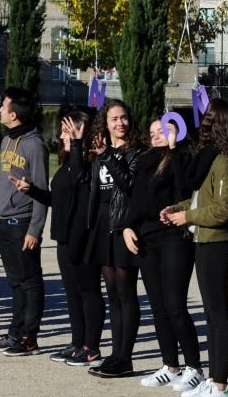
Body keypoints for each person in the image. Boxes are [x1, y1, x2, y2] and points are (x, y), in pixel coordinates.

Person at [162, 98, 228, 397]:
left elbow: (222, 211)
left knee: (218, 313)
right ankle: (213, 379)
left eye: (210, 118)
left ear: (220, 123)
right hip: (202, 239)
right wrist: (177, 208)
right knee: (211, 316)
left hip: (217, 243)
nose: (204, 123)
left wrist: (186, 216)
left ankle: (221, 385)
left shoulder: (225, 160)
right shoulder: (209, 158)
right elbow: (202, 201)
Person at [9, 110, 107, 367]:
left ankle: (92, 348)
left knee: (88, 291)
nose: (63, 135)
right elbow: (58, 200)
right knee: (72, 293)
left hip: (83, 238)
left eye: (68, 130)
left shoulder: (88, 163)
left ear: (81, 133)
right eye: (64, 131)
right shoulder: (68, 162)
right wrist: (33, 191)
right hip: (64, 238)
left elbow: (79, 177)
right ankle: (78, 344)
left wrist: (76, 142)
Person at [124, 116, 202, 391]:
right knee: (157, 306)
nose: (156, 134)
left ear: (176, 131)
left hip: (173, 236)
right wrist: (127, 227)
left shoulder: (182, 157)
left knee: (175, 305)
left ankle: (195, 368)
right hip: (146, 238)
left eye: (162, 130)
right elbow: (135, 201)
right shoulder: (144, 161)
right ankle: (170, 365)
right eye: (153, 131)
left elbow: (184, 189)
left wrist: (172, 149)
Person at [0, 88, 49, 356]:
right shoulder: (6, 141)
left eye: (3, 106)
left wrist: (35, 229)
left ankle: (29, 338)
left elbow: (42, 190)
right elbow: (2, 180)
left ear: (14, 113)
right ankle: (15, 332)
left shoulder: (35, 145)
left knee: (30, 282)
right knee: (15, 282)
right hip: (5, 223)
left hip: (23, 224)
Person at [81, 99, 143, 379]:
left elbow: (129, 184)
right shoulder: (100, 151)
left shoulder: (136, 152)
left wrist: (108, 155)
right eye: (114, 119)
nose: (120, 123)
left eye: (124, 118)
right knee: (112, 294)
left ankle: (125, 357)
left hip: (124, 225)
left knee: (126, 292)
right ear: (105, 124)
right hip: (103, 225)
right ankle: (115, 354)